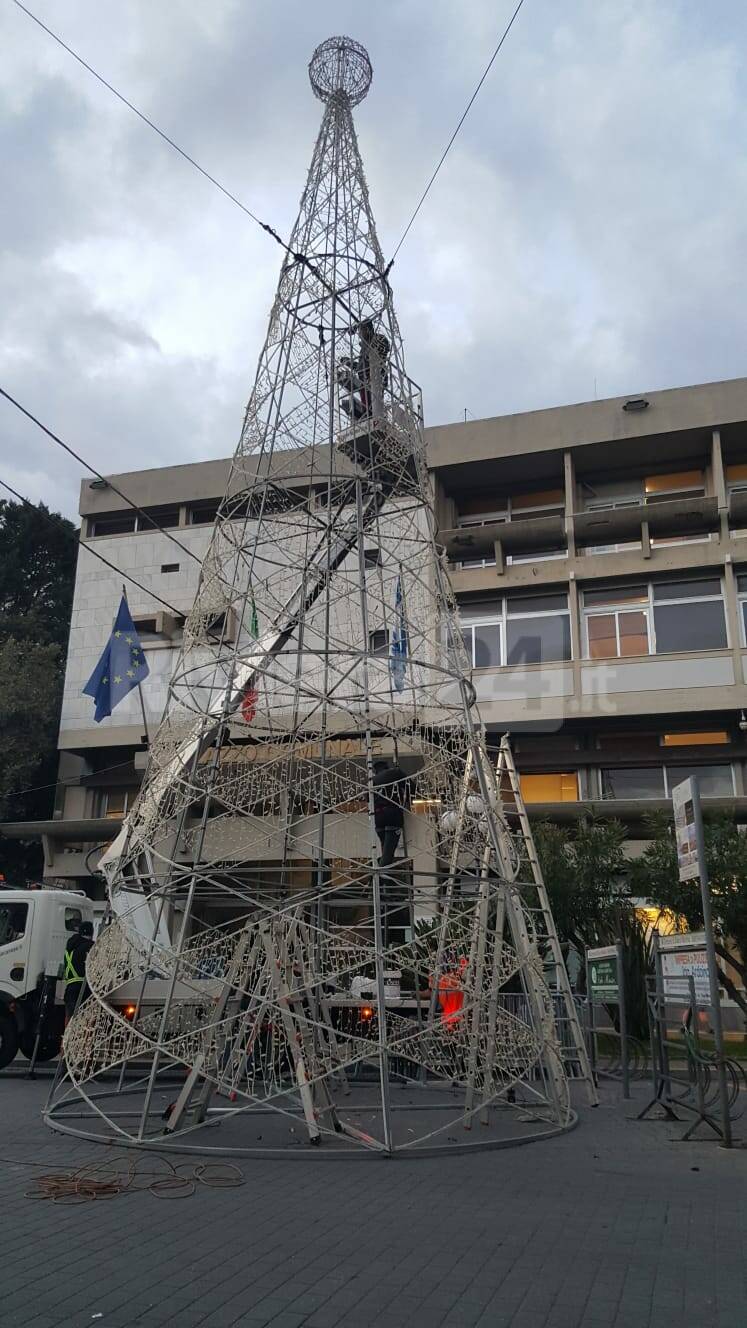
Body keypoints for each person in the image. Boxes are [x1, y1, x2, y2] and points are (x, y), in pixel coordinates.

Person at [338, 319, 390, 420]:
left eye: (361, 331)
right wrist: (349, 362)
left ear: (368, 330)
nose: (360, 334)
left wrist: (369, 344)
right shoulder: (364, 347)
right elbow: (361, 366)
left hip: (376, 378)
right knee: (367, 406)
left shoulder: (378, 339)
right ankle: (369, 418)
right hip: (365, 380)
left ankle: (376, 418)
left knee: (375, 405)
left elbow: (384, 349)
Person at [372, 759, 409, 866]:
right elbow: (411, 787)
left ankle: (381, 877)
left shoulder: (372, 780)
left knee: (386, 851)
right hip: (393, 815)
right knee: (388, 854)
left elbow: (368, 799)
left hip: (378, 817)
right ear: (387, 767)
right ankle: (378, 877)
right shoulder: (396, 773)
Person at [63, 921, 94, 1025]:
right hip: (84, 988)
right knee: (86, 1020)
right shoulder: (91, 946)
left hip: (70, 988)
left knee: (70, 1019)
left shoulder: (69, 947)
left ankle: (66, 1040)